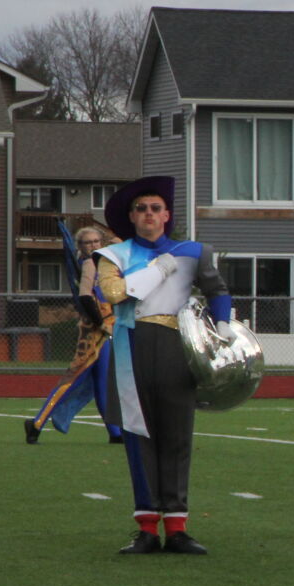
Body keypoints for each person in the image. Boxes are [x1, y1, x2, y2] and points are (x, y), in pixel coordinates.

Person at [93, 176, 231, 555]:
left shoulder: (192, 251)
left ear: (167, 215)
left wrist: (222, 329)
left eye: (156, 208)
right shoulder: (113, 256)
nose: (149, 214)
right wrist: (159, 268)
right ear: (131, 217)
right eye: (141, 209)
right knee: (139, 437)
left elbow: (217, 290)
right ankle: (147, 528)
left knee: (177, 436)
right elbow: (116, 293)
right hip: (131, 346)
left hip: (175, 346)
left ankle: (178, 526)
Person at [25, 223, 123, 445]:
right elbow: (86, 297)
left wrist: (109, 239)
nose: (92, 245)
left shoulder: (105, 260)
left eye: (95, 241)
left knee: (102, 382)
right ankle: (37, 422)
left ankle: (115, 431)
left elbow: (121, 245)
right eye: (87, 242)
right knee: (73, 378)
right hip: (94, 330)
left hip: (107, 327)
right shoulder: (89, 263)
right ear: (80, 246)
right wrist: (101, 323)